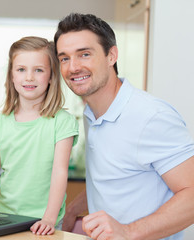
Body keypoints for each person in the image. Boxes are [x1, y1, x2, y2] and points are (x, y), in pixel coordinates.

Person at [54, 13, 194, 240]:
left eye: (85, 54)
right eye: (64, 58)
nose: (73, 67)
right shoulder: (91, 114)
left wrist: (128, 232)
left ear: (112, 56)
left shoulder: (151, 116)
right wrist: (72, 210)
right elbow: (112, 179)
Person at [0, 36, 79, 235]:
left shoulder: (62, 122)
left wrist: (49, 218)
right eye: (21, 69)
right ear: (12, 76)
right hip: (3, 216)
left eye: (39, 70)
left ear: (51, 76)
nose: (29, 77)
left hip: (43, 221)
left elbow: (59, 173)